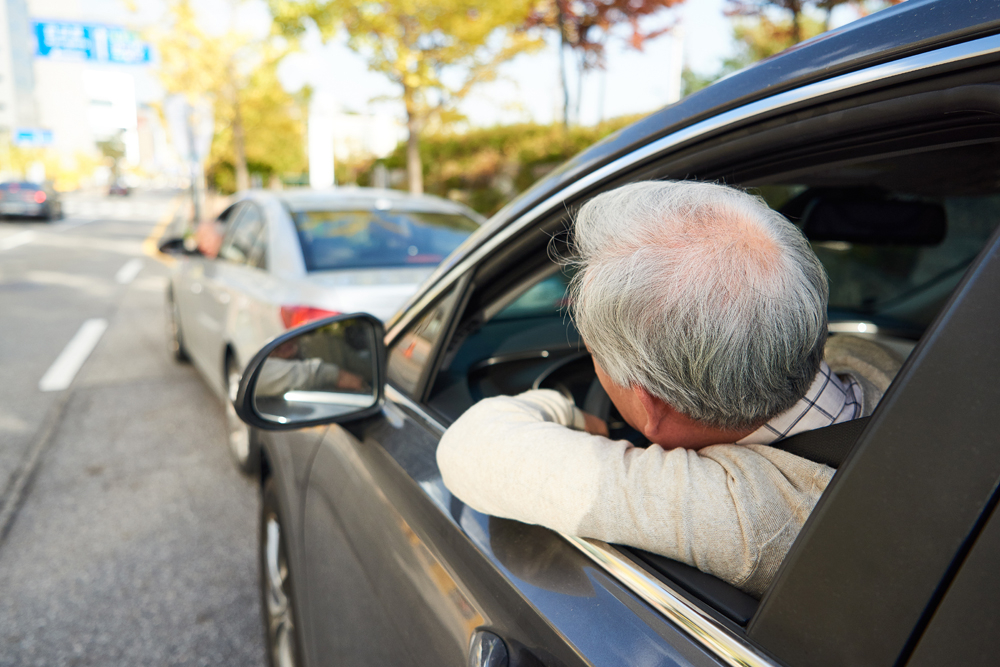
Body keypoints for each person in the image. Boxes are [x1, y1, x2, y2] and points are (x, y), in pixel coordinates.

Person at [437, 180, 863, 598]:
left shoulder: (747, 520)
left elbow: (467, 450)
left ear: (651, 405)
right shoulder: (881, 362)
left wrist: (566, 412)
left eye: (594, 353)